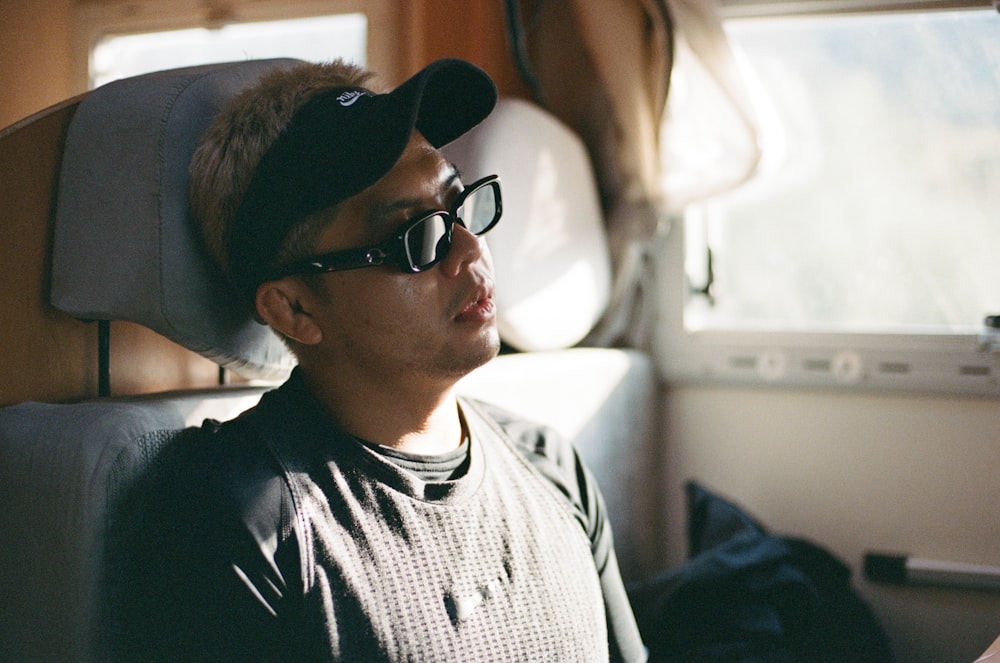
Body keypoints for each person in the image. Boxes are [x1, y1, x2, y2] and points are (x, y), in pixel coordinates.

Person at [106, 57, 646, 662]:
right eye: (416, 238)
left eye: (459, 206)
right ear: (294, 309)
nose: (469, 252)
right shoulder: (232, 522)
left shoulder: (553, 469)